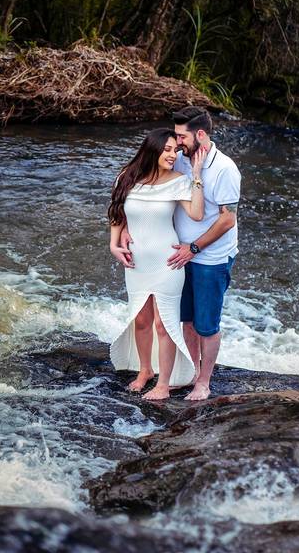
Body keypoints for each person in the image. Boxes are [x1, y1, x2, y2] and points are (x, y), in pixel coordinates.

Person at [119, 106, 241, 401]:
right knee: (185, 321)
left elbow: (227, 219)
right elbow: (145, 191)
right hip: (174, 256)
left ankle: (204, 382)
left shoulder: (225, 168)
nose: (177, 143)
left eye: (182, 136)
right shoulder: (181, 159)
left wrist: (194, 248)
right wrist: (126, 226)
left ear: (200, 134)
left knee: (206, 324)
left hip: (208, 257)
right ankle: (187, 375)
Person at [107, 127, 206, 400]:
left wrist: (196, 178)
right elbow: (117, 214)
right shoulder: (126, 178)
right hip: (137, 262)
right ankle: (144, 371)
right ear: (153, 149)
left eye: (176, 150)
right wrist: (114, 244)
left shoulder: (179, 181)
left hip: (167, 262)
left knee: (164, 324)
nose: (173, 155)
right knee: (141, 319)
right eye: (168, 150)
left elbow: (197, 214)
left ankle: (163, 384)